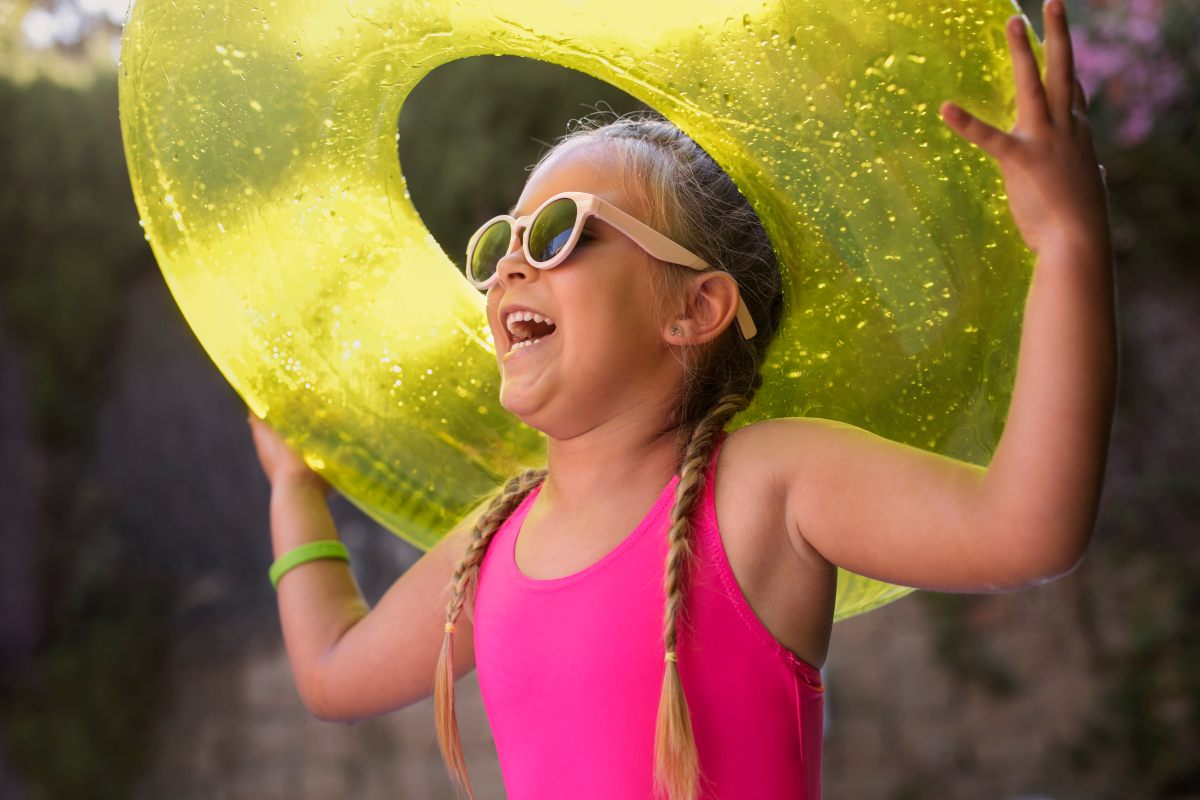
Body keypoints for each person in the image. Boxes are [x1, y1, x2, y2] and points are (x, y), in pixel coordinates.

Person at [247, 3, 1116, 798]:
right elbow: (332, 671)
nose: (512, 266)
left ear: (694, 308)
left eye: (559, 235)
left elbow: (1027, 526)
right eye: (503, 244)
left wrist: (1068, 241)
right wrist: (294, 488)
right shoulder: (492, 544)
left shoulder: (768, 486)